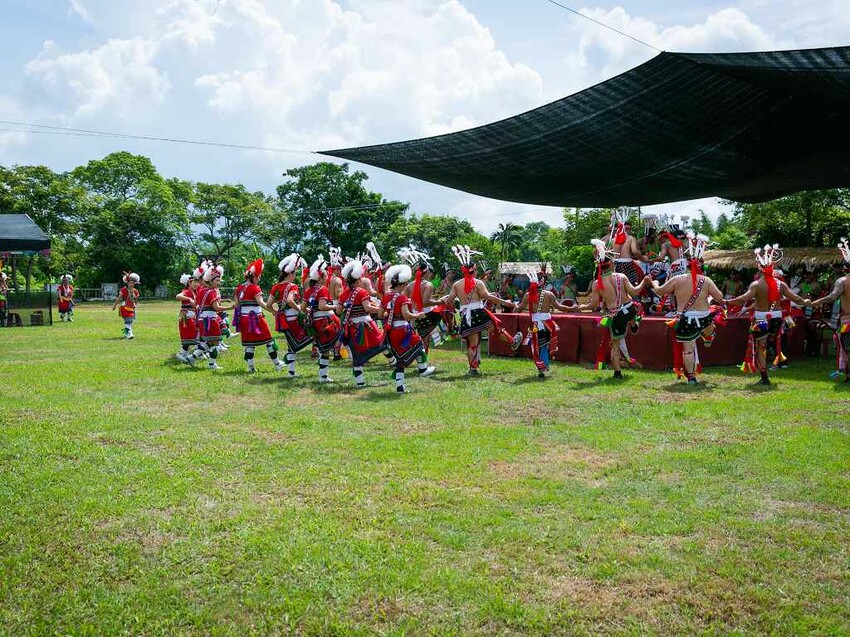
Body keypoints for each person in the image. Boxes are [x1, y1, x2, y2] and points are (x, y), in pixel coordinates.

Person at [727, 244, 811, 385]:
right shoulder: (780, 284)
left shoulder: (756, 285)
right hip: (776, 319)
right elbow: (795, 298)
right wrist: (806, 301)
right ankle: (778, 362)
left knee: (761, 347)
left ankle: (764, 377)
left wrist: (726, 302)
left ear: (760, 268)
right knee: (773, 343)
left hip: (761, 320)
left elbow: (743, 299)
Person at [651, 233, 725, 384]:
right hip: (704, 318)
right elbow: (719, 297)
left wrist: (654, 282)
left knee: (688, 350)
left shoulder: (677, 280)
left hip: (685, 319)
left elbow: (659, 292)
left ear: (686, 265)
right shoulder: (706, 280)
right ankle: (708, 336)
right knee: (710, 325)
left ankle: (691, 378)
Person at [438, 245, 517, 375]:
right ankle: (513, 341)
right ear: (474, 270)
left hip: (466, 315)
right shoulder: (478, 283)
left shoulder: (457, 284)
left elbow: (449, 301)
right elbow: (488, 297)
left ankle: (472, 368)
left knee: (473, 343)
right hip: (479, 313)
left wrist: (439, 301)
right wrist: (506, 302)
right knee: (496, 328)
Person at [577, 240, 648, 379]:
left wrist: (582, 307)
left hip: (616, 315)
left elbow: (593, 304)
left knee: (615, 345)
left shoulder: (597, 283)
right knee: (635, 307)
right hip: (630, 309)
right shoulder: (621, 276)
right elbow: (635, 292)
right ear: (612, 264)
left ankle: (617, 373)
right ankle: (633, 322)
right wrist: (644, 282)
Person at [382, 264, 434, 393]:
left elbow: (380, 314)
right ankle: (423, 369)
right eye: (405, 284)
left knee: (399, 359)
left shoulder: (387, 296)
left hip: (390, 332)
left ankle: (400, 387)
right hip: (403, 331)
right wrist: (418, 315)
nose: (406, 286)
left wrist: (391, 314)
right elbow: (406, 315)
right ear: (401, 284)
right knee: (419, 344)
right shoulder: (402, 297)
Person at [338, 258, 387, 387]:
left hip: (351, 327)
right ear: (358, 280)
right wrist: (382, 309)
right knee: (382, 342)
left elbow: (338, 310)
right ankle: (393, 361)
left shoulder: (344, 294)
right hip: (366, 326)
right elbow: (368, 308)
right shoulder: (362, 292)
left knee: (356, 353)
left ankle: (360, 382)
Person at [514, 269, 573, 377]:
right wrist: (572, 308)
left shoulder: (527, 295)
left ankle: (542, 368)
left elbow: (518, 309)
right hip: (547, 324)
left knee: (537, 346)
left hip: (535, 324)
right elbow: (560, 307)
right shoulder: (549, 294)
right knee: (544, 346)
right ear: (542, 283)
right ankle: (544, 367)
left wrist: (514, 306)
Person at [400, 244, 442, 374]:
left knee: (421, 339)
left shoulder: (409, 286)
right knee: (424, 340)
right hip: (426, 315)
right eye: (429, 271)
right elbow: (425, 302)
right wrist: (439, 301)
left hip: (414, 316)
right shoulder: (428, 285)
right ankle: (423, 365)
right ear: (426, 272)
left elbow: (404, 300)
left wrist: (412, 308)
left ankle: (422, 363)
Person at [812, 238, 850, 381]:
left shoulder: (842, 281)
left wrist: (817, 302)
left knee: (846, 348)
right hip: (846, 319)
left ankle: (847, 374)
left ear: (845, 268)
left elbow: (833, 297)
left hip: (847, 320)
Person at [237, 259, 284, 373]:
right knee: (269, 341)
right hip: (256, 319)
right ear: (253, 276)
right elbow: (261, 303)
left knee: (250, 344)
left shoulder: (240, 288)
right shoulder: (255, 288)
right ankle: (277, 364)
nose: (259, 279)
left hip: (244, 319)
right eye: (258, 276)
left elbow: (236, 305)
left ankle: (251, 368)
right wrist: (273, 311)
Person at [269, 254, 311, 377]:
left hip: (284, 321)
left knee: (291, 346)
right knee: (311, 337)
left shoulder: (276, 287)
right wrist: (301, 310)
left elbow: (268, 304)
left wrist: (275, 312)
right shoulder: (292, 286)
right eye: (294, 273)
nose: (295, 276)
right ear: (289, 273)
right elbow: (289, 301)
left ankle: (291, 372)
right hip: (294, 320)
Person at [303, 255, 341, 383]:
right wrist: (335, 306)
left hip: (314, 322)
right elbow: (322, 306)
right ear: (320, 278)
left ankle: (322, 374)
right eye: (325, 275)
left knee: (323, 348)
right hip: (325, 322)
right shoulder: (323, 289)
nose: (327, 277)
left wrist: (311, 312)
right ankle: (323, 376)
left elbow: (302, 307)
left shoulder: (309, 290)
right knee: (326, 349)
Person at [194, 263, 232, 369]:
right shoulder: (211, 292)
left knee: (210, 341)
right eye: (217, 280)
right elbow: (217, 308)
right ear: (210, 281)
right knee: (215, 341)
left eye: (219, 280)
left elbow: (196, 304)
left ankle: (193, 357)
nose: (218, 283)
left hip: (202, 318)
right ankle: (211, 364)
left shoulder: (201, 290)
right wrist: (231, 307)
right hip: (210, 319)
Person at [175, 272, 200, 365]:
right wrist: (189, 299)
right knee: (190, 335)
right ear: (189, 283)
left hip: (192, 316)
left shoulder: (195, 292)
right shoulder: (186, 291)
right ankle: (182, 354)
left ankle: (184, 354)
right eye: (194, 282)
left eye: (197, 282)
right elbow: (178, 296)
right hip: (186, 316)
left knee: (193, 335)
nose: (196, 284)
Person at [112, 272, 140, 339]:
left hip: (132, 307)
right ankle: (130, 334)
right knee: (128, 320)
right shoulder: (123, 290)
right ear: (127, 283)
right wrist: (114, 305)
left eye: (133, 283)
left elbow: (136, 299)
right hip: (124, 306)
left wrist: (135, 305)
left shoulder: (135, 291)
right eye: (130, 282)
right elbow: (119, 298)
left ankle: (126, 333)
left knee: (130, 321)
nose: (131, 284)